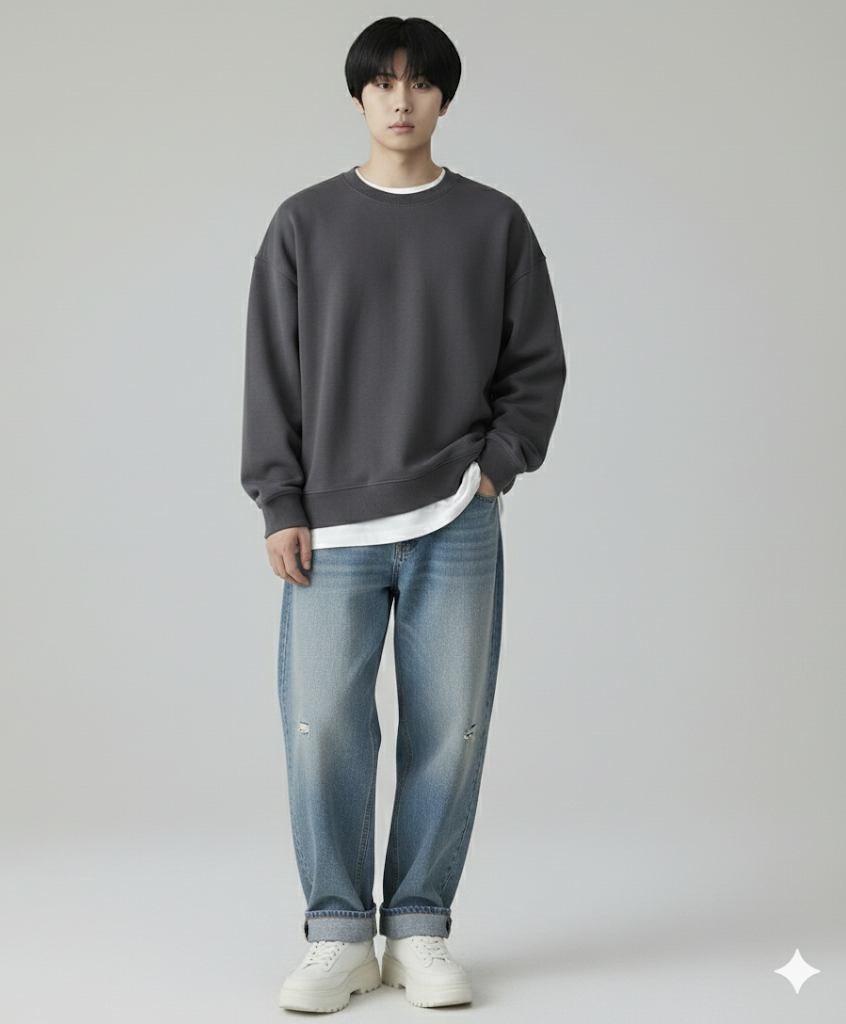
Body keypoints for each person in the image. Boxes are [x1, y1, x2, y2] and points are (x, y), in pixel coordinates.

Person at [241, 16, 565, 1013]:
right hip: (331, 525)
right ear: (358, 96)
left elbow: (536, 364)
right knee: (321, 728)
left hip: (456, 515)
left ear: (443, 98)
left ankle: (418, 926)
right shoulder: (303, 222)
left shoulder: (493, 223)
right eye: (382, 82)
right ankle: (339, 935)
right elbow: (272, 371)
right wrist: (279, 500)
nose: (400, 99)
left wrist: (497, 467)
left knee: (450, 727)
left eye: (419, 82)